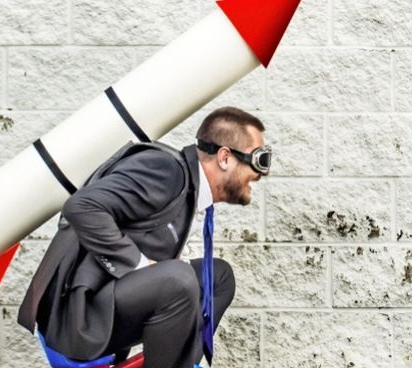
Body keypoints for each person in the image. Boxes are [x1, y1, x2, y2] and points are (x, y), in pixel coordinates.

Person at [18, 106, 271, 367]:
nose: (263, 172)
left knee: (217, 277)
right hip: (78, 320)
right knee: (177, 280)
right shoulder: (166, 170)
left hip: (107, 307)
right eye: (258, 160)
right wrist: (137, 262)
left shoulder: (187, 187)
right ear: (225, 157)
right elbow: (81, 207)